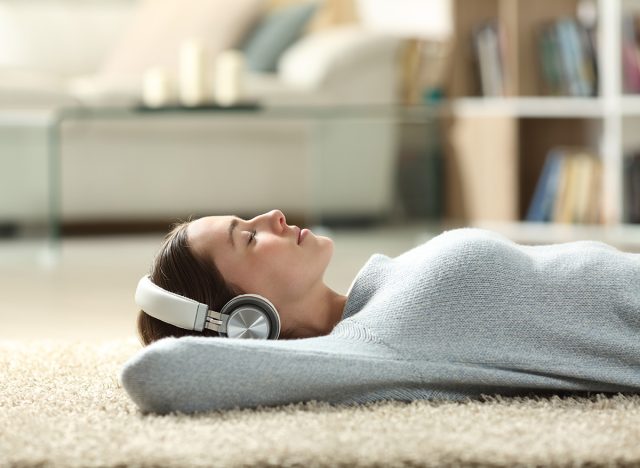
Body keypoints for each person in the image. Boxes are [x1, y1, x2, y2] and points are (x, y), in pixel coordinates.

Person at [121, 209, 640, 414]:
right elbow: (159, 374)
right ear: (244, 319)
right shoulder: (367, 349)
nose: (274, 216)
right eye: (250, 238)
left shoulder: (379, 294)